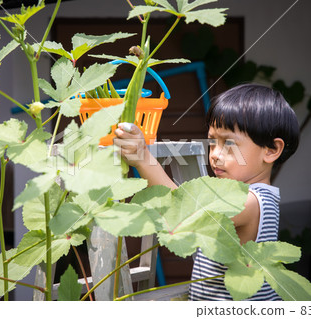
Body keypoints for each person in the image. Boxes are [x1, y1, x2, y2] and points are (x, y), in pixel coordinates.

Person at [113, 83, 300, 300]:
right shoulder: (240, 194)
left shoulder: (251, 201)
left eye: (228, 143)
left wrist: (143, 158)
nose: (215, 154)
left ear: (271, 150)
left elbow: (185, 212)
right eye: (212, 142)